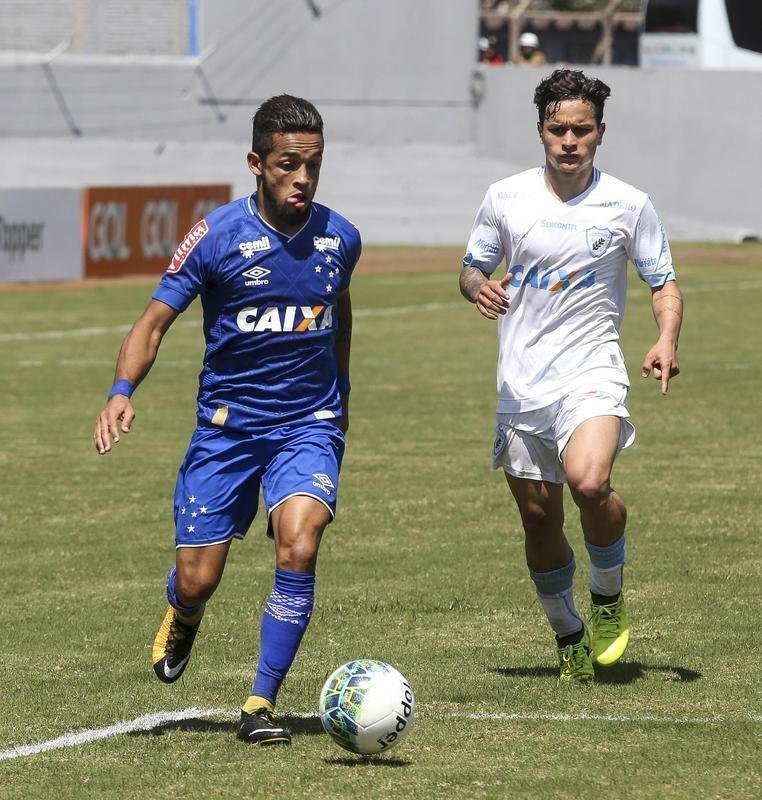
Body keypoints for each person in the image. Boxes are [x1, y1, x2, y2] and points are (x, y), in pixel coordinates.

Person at [93, 94, 361, 742]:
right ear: (256, 163)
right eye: (288, 164)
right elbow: (153, 322)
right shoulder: (215, 236)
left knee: (300, 542)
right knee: (198, 579)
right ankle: (184, 611)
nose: (302, 178)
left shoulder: (341, 237)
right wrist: (122, 390)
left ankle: (259, 703)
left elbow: (339, 313)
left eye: (313, 164)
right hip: (228, 428)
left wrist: (342, 395)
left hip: (309, 422)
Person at [459, 69, 682, 684]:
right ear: (541, 131)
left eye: (581, 129)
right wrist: (479, 287)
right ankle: (568, 633)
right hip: (521, 383)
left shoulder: (630, 204)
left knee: (589, 481)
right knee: (539, 519)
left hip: (592, 371)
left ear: (600, 132)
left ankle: (607, 592)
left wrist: (666, 337)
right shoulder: (505, 197)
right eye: (558, 129)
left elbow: (662, 282)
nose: (569, 140)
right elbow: (472, 268)